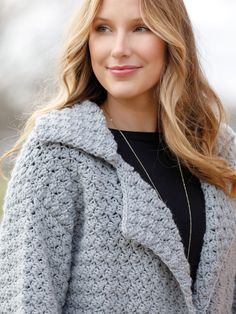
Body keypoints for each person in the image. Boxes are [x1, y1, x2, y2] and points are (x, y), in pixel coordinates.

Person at [0, 0, 236, 313]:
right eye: (103, 29)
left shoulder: (216, 150)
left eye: (140, 28)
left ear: (171, 39)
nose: (119, 48)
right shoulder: (57, 152)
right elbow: (26, 301)